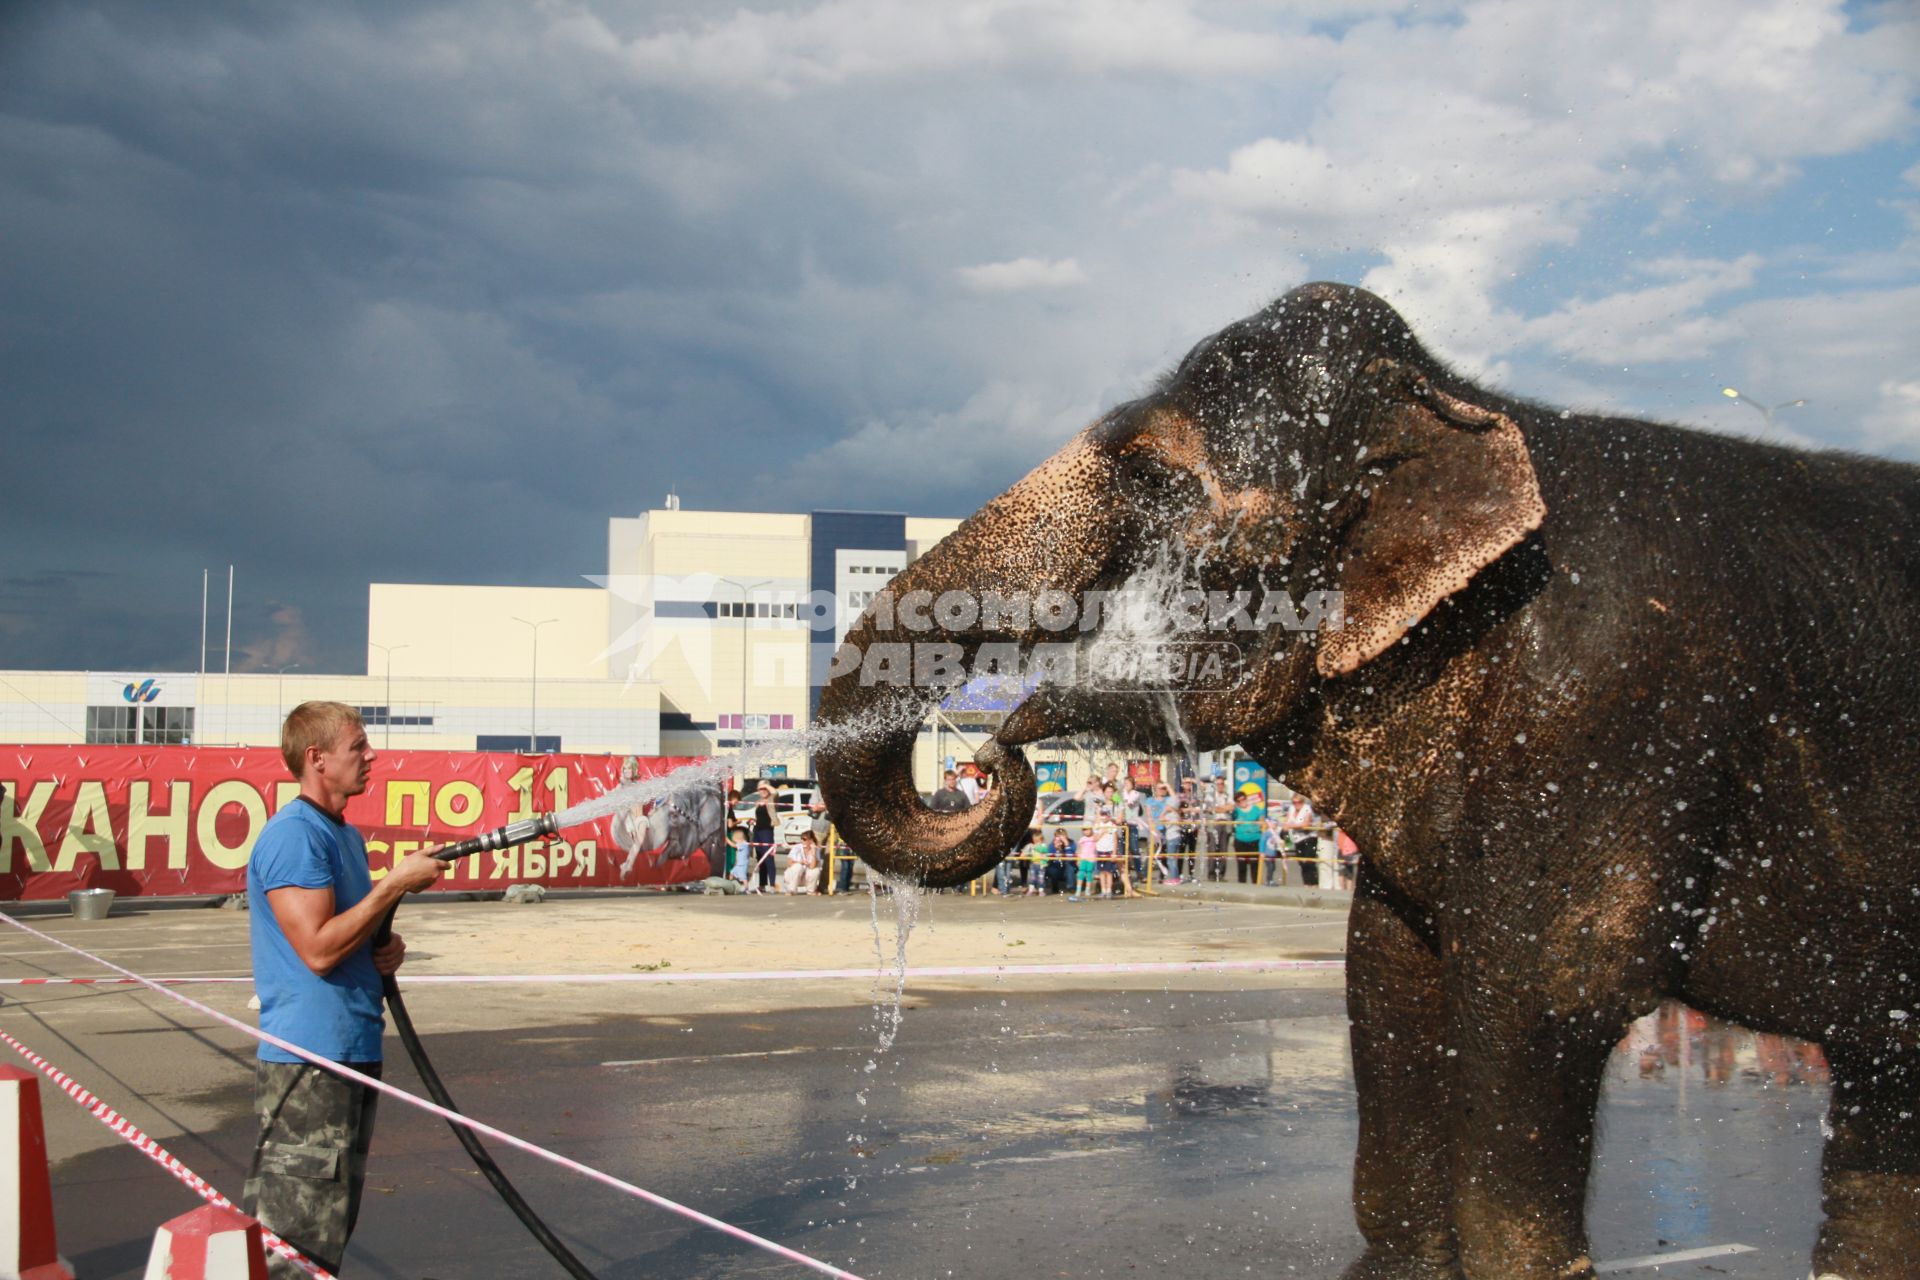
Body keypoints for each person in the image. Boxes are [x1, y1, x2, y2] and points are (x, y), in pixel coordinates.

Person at [245, 702, 446, 1278]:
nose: (371, 755)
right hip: (310, 1060)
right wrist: (392, 886)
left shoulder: (343, 836)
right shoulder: (294, 837)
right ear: (317, 759)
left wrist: (384, 947)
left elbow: (345, 933)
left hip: (351, 1048)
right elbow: (317, 949)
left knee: (327, 1225)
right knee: (295, 1235)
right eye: (358, 746)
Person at [1280, 791, 1318, 887]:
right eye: (1294, 802)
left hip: (1309, 837)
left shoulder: (1307, 809)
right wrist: (1286, 826)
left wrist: (1291, 826)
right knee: (1301, 862)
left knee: (1309, 861)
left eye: (1299, 802)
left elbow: (1305, 824)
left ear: (1303, 801)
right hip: (1297, 838)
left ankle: (1313, 884)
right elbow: (1287, 821)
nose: (1296, 804)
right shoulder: (1292, 809)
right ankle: (1306, 883)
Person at [751, 784, 780, 892]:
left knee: (769, 857)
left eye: (764, 789)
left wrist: (766, 785)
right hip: (757, 830)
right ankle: (762, 884)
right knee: (760, 858)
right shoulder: (758, 802)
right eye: (760, 789)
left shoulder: (772, 800)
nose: (762, 791)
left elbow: (776, 792)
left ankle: (772, 884)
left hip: (767, 831)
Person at [1232, 789, 1265, 883]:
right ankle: (1242, 886)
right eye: (1239, 801)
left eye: (1243, 799)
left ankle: (1256, 885)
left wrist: (1260, 825)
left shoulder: (1256, 809)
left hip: (1254, 840)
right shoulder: (1236, 811)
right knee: (1241, 865)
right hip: (1240, 840)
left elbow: (1262, 821)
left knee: (1255, 864)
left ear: (1246, 798)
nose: (1242, 802)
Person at [782, 829, 822, 894]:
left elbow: (812, 866)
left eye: (804, 839)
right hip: (792, 876)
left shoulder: (816, 850)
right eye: (801, 839)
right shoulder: (796, 847)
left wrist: (814, 853)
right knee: (798, 866)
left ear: (811, 840)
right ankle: (791, 890)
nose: (802, 841)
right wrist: (800, 862)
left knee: (816, 870)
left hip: (805, 877)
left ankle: (811, 891)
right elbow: (789, 863)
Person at [1045, 830, 1075, 897]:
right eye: (1058, 837)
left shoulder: (1071, 843)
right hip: (1056, 867)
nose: (1060, 840)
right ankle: (1055, 888)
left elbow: (1071, 858)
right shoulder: (1052, 845)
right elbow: (1048, 859)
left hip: (1066, 868)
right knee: (1053, 868)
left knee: (1070, 865)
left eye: (1062, 837)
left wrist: (1067, 845)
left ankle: (1070, 887)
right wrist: (1056, 850)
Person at [728, 826, 756, 891]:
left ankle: (746, 888)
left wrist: (727, 839)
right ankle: (730, 884)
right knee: (732, 872)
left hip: (742, 865)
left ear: (739, 839)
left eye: (736, 841)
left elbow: (733, 845)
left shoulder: (743, 844)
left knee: (743, 878)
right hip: (739, 864)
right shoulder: (744, 844)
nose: (736, 842)